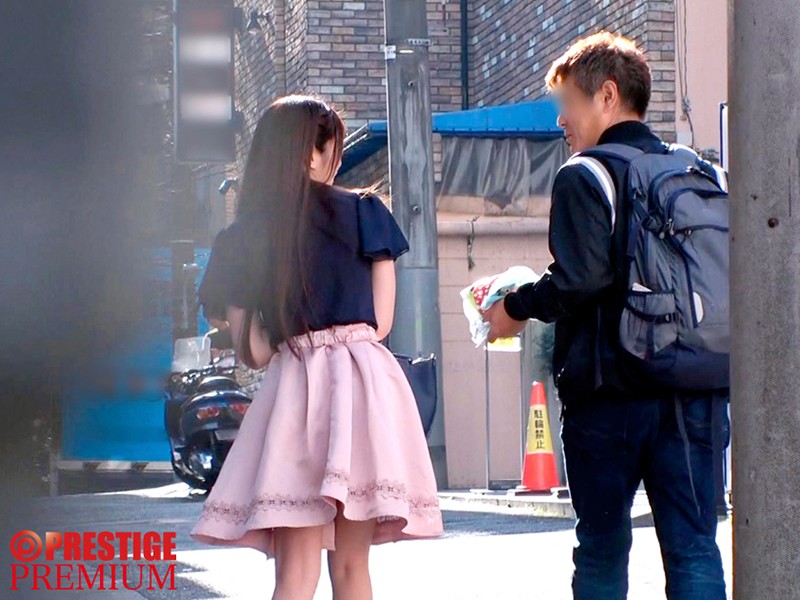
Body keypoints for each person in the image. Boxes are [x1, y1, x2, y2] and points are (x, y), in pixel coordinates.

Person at [485, 33, 729, 600]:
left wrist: (514, 308)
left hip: (610, 396)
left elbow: (579, 279)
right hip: (694, 392)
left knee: (601, 549)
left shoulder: (585, 174)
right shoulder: (696, 171)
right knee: (694, 548)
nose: (561, 120)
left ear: (608, 96)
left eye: (567, 103)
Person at [191, 95, 443, 600]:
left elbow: (255, 353)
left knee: (294, 576)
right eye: (334, 149)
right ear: (313, 151)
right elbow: (380, 323)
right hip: (363, 395)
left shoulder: (241, 239)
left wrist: (289, 329)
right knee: (351, 568)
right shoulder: (366, 212)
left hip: (295, 396)